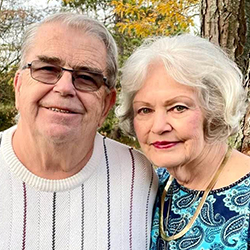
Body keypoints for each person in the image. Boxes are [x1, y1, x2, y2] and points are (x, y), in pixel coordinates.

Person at [0, 12, 158, 249]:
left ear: (106, 104)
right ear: (19, 85)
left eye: (86, 77)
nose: (64, 88)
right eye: (47, 69)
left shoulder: (139, 174)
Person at [116, 34, 250, 249]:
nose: (159, 126)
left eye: (178, 107)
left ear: (214, 110)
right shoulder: (146, 184)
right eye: (145, 110)